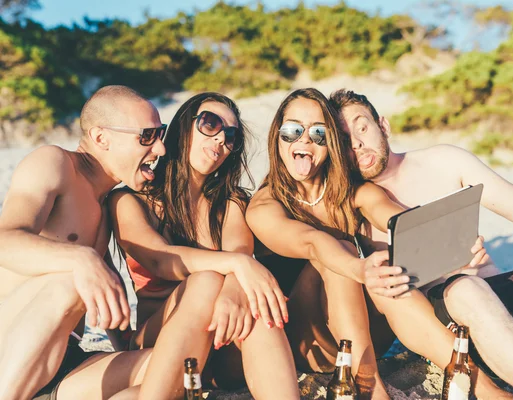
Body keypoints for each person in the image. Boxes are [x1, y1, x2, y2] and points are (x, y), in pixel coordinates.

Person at [246, 87, 513, 400]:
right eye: (292, 131)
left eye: (318, 133)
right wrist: (359, 267)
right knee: (345, 259)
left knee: (387, 277)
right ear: (276, 136)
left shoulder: (353, 192)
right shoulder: (265, 205)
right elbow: (311, 242)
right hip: (309, 340)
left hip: (378, 334)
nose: (304, 140)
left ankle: (489, 393)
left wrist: (450, 243)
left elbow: (397, 217)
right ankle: (372, 389)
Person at [329, 88, 513, 382]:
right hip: (447, 328)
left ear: (383, 126)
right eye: (344, 140)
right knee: (465, 290)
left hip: (509, 302)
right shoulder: (349, 206)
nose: (357, 144)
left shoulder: (444, 162)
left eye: (363, 127)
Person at [108, 92, 300, 399]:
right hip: (159, 340)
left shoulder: (230, 202)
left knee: (256, 303)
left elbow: (240, 252)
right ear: (184, 126)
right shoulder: (129, 201)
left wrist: (237, 280)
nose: (221, 139)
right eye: (210, 124)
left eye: (231, 136)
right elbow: (162, 260)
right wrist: (237, 267)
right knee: (207, 279)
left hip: (221, 343)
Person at [0, 85, 165, 399]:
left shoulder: (108, 204)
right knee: (72, 280)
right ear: (102, 138)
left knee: (168, 367)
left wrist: (127, 346)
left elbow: (105, 297)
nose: (160, 150)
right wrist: (80, 258)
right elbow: (4, 240)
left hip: (55, 363)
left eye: (161, 134)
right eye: (146, 136)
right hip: (7, 348)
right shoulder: (55, 163)